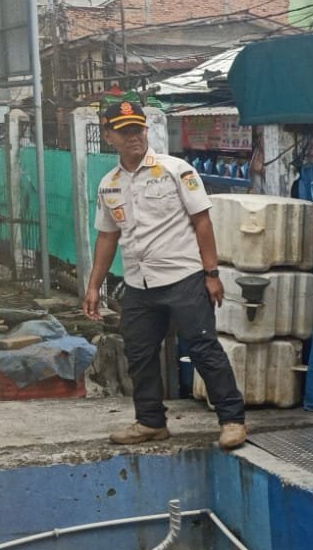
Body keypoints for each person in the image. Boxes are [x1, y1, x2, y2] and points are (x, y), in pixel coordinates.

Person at [82, 97, 247, 450]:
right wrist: (94, 285)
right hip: (138, 283)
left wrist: (212, 273)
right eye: (124, 131)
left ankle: (232, 420)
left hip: (183, 277)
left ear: (146, 131)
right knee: (139, 353)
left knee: (203, 348)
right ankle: (150, 422)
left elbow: (202, 221)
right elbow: (107, 237)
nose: (133, 137)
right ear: (108, 136)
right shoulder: (109, 184)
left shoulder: (176, 170)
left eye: (138, 129)